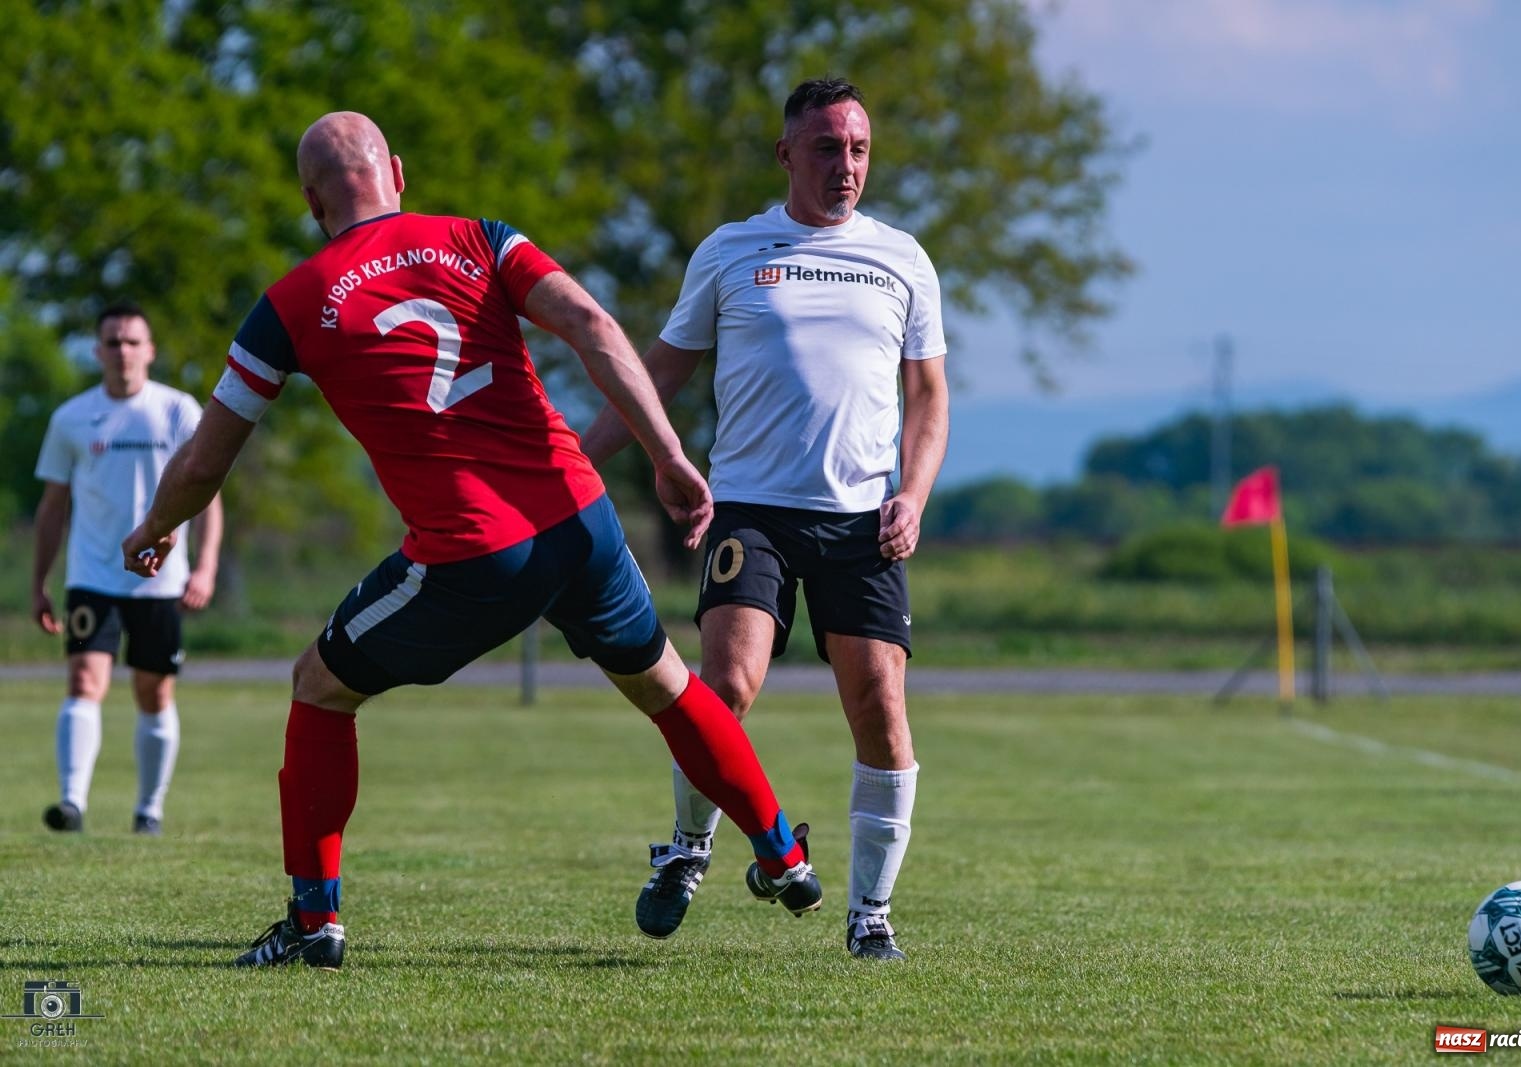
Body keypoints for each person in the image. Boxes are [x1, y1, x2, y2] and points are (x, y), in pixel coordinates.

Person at [121, 111, 822, 971]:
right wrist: (669, 454)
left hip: (473, 552)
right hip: (582, 519)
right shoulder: (481, 238)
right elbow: (596, 328)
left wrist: (154, 529)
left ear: (312, 202)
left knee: (319, 686)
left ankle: (313, 923)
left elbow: (201, 464)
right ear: (399, 173)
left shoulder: (292, 304)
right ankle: (782, 850)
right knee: (669, 688)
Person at [582, 78, 949, 961]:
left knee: (881, 708)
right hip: (752, 510)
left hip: (864, 523)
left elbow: (930, 395)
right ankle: (688, 847)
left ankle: (871, 916)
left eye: (858, 149)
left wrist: (915, 494)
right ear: (787, 154)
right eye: (826, 148)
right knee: (727, 685)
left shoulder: (903, 257)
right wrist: (580, 459)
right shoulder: (731, 251)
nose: (845, 166)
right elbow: (659, 370)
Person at [32, 302, 223, 837]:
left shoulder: (177, 410)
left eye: (132, 341)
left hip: (160, 580)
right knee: (84, 679)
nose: (122, 352)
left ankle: (149, 810)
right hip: (92, 575)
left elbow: (207, 494)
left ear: (150, 351)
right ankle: (71, 804)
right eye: (112, 342)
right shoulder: (71, 417)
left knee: (154, 692)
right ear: (98, 352)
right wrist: (40, 582)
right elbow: (52, 507)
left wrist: (203, 567)